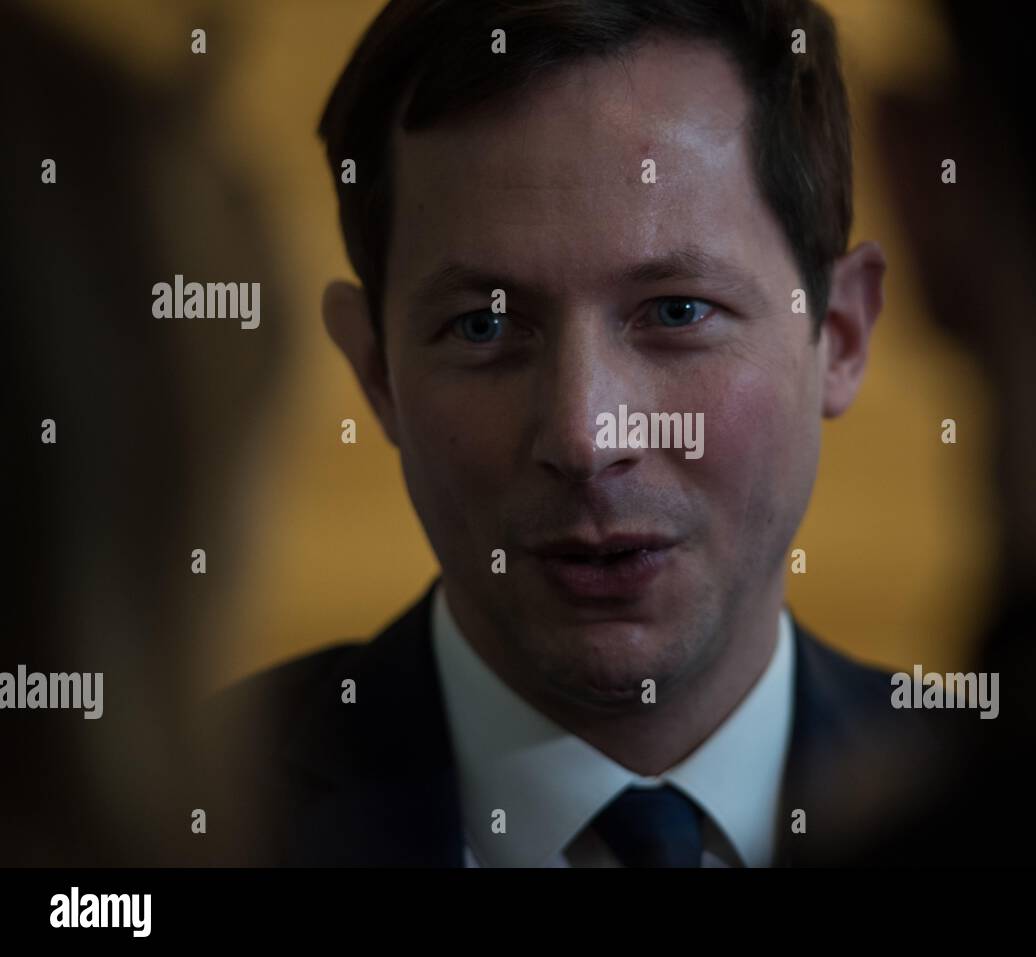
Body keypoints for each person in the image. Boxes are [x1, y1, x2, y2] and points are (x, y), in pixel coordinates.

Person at [200, 0, 940, 868]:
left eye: (677, 311)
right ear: (375, 369)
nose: (587, 437)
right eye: (483, 326)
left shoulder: (1027, 808)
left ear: (843, 334)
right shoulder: (155, 826)